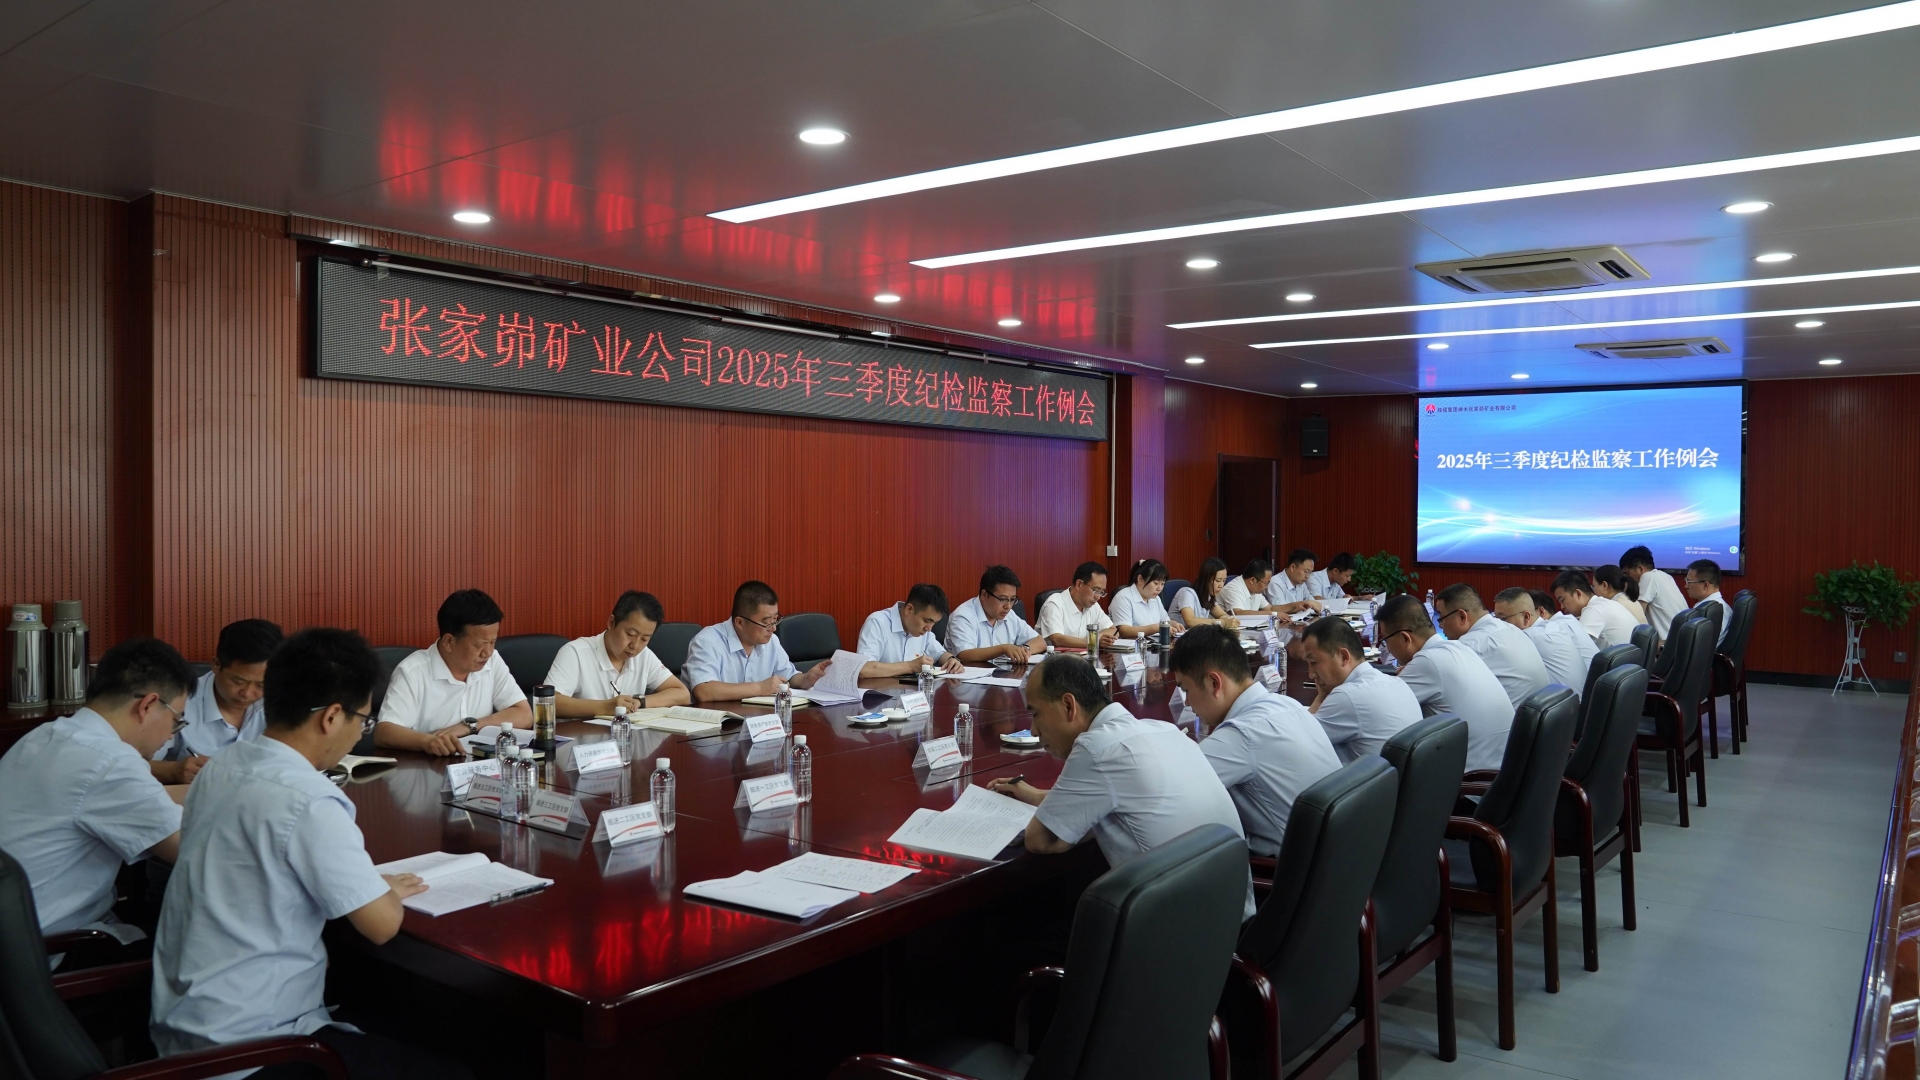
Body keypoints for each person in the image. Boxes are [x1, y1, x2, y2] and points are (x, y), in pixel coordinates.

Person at [150, 628, 472, 1080]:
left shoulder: (222, 767)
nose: (359, 734)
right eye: (363, 721)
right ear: (332, 716)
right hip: (253, 1051)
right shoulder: (310, 798)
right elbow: (382, 925)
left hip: (183, 1030)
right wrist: (380, 891)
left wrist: (367, 887)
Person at [986, 655, 1253, 921]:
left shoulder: (1097, 747)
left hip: (1179, 935)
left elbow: (1042, 840)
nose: (1033, 730)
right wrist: (1038, 797)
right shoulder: (1165, 730)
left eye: (1035, 714)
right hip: (1233, 922)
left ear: (1068, 705)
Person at [0, 638, 189, 942]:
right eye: (176, 721)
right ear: (148, 705)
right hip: (48, 948)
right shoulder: (111, 761)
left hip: (20, 929)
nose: (170, 736)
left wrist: (221, 789)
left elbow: (137, 799)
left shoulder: (47, 736)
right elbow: (191, 851)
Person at [1171, 625, 1341, 857]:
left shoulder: (1241, 734)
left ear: (1214, 683)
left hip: (1288, 869)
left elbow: (1168, 790)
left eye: (1186, 689)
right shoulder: (1288, 704)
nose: (1187, 703)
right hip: (1336, 855)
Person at [376, 589, 530, 756]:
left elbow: (524, 714)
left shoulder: (492, 661)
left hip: (479, 765)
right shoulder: (412, 671)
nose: (488, 652)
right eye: (479, 644)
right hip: (430, 766)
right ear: (449, 641)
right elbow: (384, 732)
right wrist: (428, 742)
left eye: (493, 642)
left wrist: (470, 726)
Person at [1378, 595, 1515, 771]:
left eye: (1385, 640)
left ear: (1405, 638)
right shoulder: (1458, 648)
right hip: (1499, 768)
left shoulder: (1428, 661)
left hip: (1472, 779)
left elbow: (1380, 707)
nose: (1387, 648)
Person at [151, 619, 281, 784]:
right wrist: (172, 770)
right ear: (216, 665)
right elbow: (131, 763)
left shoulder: (281, 702)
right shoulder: (178, 701)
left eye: (261, 685)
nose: (247, 694)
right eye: (238, 681)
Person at [546, 591, 690, 718]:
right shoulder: (575, 653)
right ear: (611, 622)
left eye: (645, 639)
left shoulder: (644, 655)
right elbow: (548, 702)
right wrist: (604, 707)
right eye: (630, 634)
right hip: (581, 738)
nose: (635, 646)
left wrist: (640, 701)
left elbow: (682, 694)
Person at [683, 580, 833, 702]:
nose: (773, 628)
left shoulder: (771, 641)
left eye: (775, 619)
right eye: (766, 622)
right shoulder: (707, 642)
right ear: (740, 622)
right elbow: (704, 691)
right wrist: (760, 688)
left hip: (758, 720)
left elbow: (789, 676)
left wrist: (806, 679)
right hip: (716, 724)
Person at [1302, 616, 1422, 763]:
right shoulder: (1397, 683)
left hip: (1367, 777)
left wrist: (1320, 697)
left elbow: (1297, 741)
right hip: (1396, 775)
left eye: (1313, 662)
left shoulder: (1347, 697)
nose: (1311, 674)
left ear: (1343, 656)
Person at [1435, 583, 1551, 708]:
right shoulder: (1512, 629)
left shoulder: (1470, 645)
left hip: (1516, 718)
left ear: (1462, 616)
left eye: (1441, 617)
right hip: (1539, 713)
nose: (1440, 625)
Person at [1493, 587, 1595, 699]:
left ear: (1526, 617)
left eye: (1502, 619)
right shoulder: (1553, 627)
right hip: (1577, 701)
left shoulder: (1530, 637)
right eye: (1495, 618)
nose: (1498, 625)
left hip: (1569, 706)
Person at [945, 565, 1046, 664]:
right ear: (984, 595)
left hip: (1003, 673)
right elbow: (964, 655)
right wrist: (1003, 649)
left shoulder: (1009, 615)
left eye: (1012, 599)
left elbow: (1040, 641)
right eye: (1003, 599)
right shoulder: (963, 616)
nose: (1008, 606)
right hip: (969, 674)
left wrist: (1024, 650)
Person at [857, 584, 964, 676]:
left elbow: (940, 654)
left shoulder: (924, 631)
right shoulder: (877, 622)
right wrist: (911, 666)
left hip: (913, 692)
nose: (929, 628)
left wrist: (952, 660)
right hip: (881, 692)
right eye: (927, 621)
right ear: (909, 609)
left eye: (934, 623)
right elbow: (863, 669)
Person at [1036, 561, 1118, 649]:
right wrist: (1093, 641)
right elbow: (1057, 639)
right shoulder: (1054, 604)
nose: (1098, 597)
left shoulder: (1093, 605)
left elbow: (1113, 630)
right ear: (1079, 584)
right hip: (1055, 657)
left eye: (1101, 592)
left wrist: (1096, 640)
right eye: (1095, 590)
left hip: (1083, 656)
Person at [1554, 569, 1640, 649]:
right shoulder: (1605, 604)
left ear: (1578, 594)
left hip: (1623, 659)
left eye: (1562, 600)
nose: (1562, 607)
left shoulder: (1594, 609)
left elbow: (1577, 647)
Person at [1620, 545, 1689, 643]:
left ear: (1640, 569)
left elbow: (1636, 614)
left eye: (1627, 574)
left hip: (1666, 644)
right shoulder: (1666, 576)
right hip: (1680, 640)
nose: (1627, 579)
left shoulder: (1648, 577)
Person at [1168, 557, 1241, 631]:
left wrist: (1228, 619)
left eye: (1224, 581)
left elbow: (1221, 614)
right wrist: (1222, 622)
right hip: (1177, 636)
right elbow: (1190, 621)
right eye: (1218, 580)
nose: (1221, 585)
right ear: (1206, 579)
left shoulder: (1207, 596)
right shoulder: (1187, 593)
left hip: (1196, 635)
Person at [1107, 559, 1170, 637]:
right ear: (1140, 579)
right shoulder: (1123, 597)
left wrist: (1174, 624)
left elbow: (1165, 620)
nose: (1159, 588)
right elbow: (1124, 631)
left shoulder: (1155, 598)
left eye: (1162, 584)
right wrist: (1155, 628)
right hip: (1132, 643)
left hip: (1152, 642)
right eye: (1156, 583)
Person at [1684, 559, 1734, 645]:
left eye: (1689, 582)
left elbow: (1697, 646)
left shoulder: (1710, 612)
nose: (1686, 586)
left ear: (1705, 585)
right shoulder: (1715, 606)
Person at [1264, 549, 1324, 616]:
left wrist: (1313, 604)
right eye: (1306, 571)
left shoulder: (1301, 583)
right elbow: (1280, 611)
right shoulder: (1275, 583)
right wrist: (1306, 604)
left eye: (1310, 572)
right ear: (1293, 567)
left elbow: (1312, 602)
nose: (1307, 576)